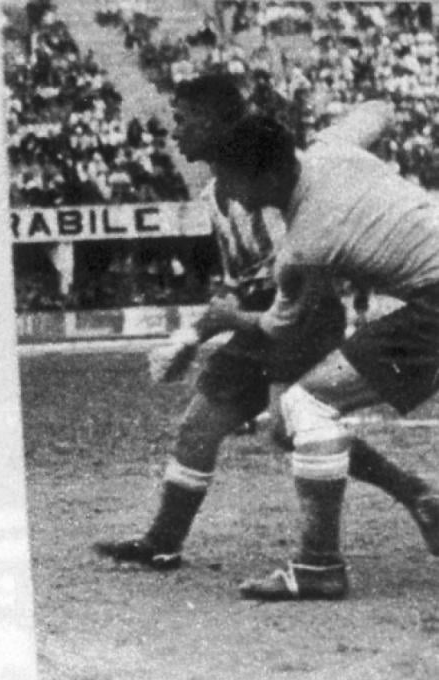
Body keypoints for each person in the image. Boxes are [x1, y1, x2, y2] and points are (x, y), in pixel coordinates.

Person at [93, 74, 439, 573]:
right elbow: (245, 277)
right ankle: (162, 541)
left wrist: (209, 329)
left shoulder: (281, 195)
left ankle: (345, 545)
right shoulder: (228, 186)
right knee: (200, 426)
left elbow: (293, 288)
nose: (175, 131)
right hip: (260, 313)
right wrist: (196, 332)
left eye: (183, 119)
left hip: (295, 319)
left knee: (294, 422)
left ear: (215, 123)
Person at [190, 114, 439, 600]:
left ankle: (318, 566)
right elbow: (380, 108)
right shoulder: (330, 146)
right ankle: (417, 499)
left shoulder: (305, 243)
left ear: (265, 177)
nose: (227, 192)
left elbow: (278, 324)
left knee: (305, 406)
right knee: (293, 421)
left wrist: (223, 319)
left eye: (230, 179)